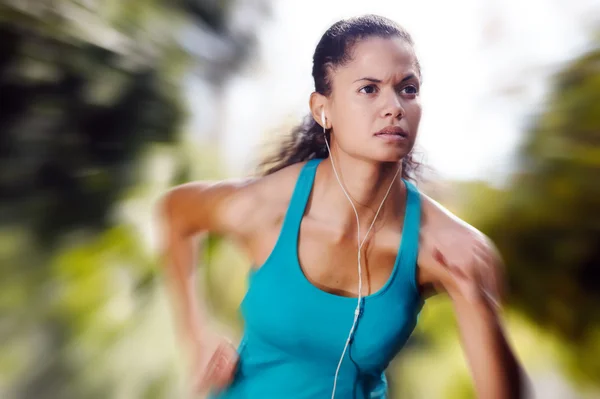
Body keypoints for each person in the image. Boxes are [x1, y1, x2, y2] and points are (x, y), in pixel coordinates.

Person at [158, 14, 527, 399]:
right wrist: (195, 335)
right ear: (323, 110)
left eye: (408, 89)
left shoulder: (451, 248)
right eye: (369, 89)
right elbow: (175, 211)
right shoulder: (268, 207)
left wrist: (479, 305)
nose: (394, 107)